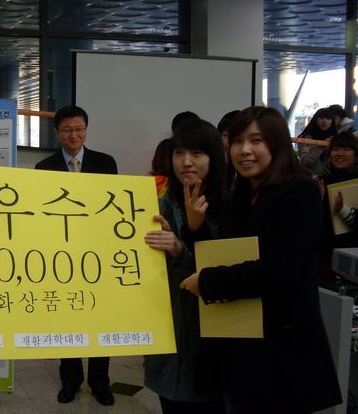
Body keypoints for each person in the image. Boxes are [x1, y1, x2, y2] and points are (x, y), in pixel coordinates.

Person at [180, 106, 342, 413]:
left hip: (281, 351)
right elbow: (223, 257)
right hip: (239, 345)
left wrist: (208, 281)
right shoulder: (241, 195)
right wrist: (195, 226)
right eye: (237, 141)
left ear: (277, 144)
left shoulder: (300, 191)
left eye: (256, 140)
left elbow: (279, 271)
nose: (244, 150)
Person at [35, 105, 117, 406]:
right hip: (61, 253)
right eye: (67, 130)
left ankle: (100, 383)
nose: (74, 135)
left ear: (86, 129)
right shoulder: (44, 167)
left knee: (100, 318)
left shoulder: (105, 163)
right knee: (66, 318)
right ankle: (70, 382)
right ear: (57, 132)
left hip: (98, 252)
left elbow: (113, 206)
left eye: (79, 128)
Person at [144, 119, 226, 414]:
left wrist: (180, 249)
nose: (186, 162)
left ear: (213, 157)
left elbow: (226, 275)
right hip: (167, 335)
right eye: (179, 153)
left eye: (196, 153)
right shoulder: (159, 205)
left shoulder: (229, 206)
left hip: (210, 343)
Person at [317, 131, 358, 282]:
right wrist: (318, 200)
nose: (339, 154)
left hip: (352, 259)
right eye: (335, 149)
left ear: (356, 154)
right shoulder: (320, 181)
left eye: (346, 149)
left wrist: (343, 209)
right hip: (323, 258)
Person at [297, 107, 336, 175]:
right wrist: (320, 147)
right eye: (321, 118)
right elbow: (305, 161)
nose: (324, 121)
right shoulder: (305, 137)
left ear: (332, 121)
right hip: (310, 175)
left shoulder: (335, 137)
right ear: (315, 120)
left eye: (328, 118)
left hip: (332, 176)